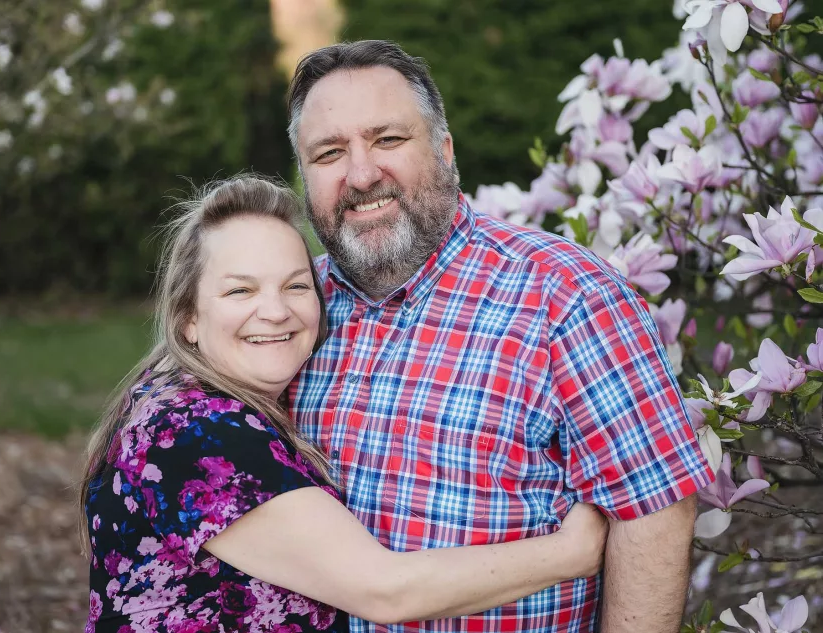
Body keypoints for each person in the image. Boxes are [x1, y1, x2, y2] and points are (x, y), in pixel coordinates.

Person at [286, 41, 715, 633]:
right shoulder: (286, 309)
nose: (361, 174)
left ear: (443, 149)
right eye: (330, 153)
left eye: (388, 140)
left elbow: (655, 509)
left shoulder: (567, 295)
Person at [79, 176, 608, 633]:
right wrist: (571, 553)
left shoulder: (169, 394)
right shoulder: (196, 433)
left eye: (295, 285)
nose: (275, 311)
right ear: (188, 318)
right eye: (240, 291)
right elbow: (385, 591)